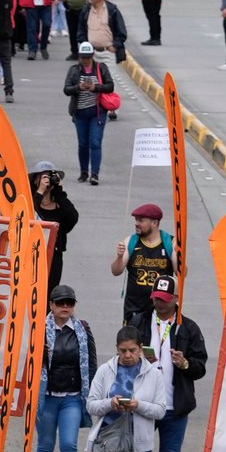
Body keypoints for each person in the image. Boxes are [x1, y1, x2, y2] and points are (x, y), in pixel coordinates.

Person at [125, 275, 207, 452]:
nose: (159, 303)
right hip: (144, 404)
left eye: (164, 299)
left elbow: (200, 367)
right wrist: (138, 358)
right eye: (156, 298)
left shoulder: (189, 328)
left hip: (174, 407)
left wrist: (185, 363)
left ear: (176, 298)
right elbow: (122, 357)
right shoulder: (139, 322)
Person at [37, 285, 98, 452]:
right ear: (51, 304)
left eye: (69, 303)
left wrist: (92, 391)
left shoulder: (82, 329)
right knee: (45, 444)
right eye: (60, 303)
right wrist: (40, 350)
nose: (65, 307)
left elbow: (91, 362)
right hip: (47, 397)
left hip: (72, 397)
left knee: (69, 444)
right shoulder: (39, 329)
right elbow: (28, 362)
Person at [111, 204, 174, 321]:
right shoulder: (131, 241)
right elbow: (116, 271)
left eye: (141, 220)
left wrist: (179, 254)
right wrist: (119, 257)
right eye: (136, 220)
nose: (136, 223)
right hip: (134, 309)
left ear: (154, 223)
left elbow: (182, 272)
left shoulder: (170, 243)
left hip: (161, 309)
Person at [62, 42, 113, 186]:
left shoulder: (101, 68)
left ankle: (95, 174)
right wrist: (78, 87)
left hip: (98, 112)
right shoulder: (74, 70)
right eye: (83, 57)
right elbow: (66, 89)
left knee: (95, 143)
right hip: (80, 113)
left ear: (92, 56)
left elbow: (110, 86)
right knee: (83, 143)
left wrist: (95, 87)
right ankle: (84, 172)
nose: (85, 60)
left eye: (88, 57)